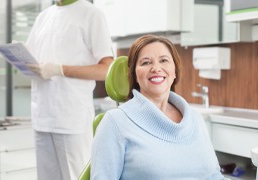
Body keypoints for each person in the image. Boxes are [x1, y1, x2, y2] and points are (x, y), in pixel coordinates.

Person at [91, 34, 228, 179]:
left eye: (164, 60)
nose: (156, 68)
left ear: (174, 71)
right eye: (145, 63)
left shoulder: (195, 119)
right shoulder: (115, 122)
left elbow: (214, 176)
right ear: (134, 75)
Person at [24, 0, 113, 179]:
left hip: (71, 119)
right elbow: (32, 59)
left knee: (77, 176)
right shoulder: (43, 17)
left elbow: (107, 69)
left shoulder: (91, 14)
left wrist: (60, 70)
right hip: (42, 116)